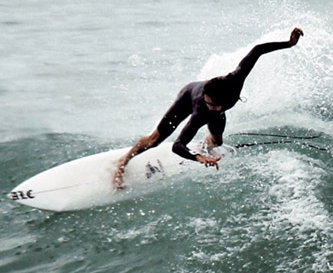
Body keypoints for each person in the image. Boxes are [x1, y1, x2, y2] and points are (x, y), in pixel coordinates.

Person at [113, 28, 304, 189]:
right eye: (208, 102)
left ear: (224, 100)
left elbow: (257, 50)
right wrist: (198, 158)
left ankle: (205, 145)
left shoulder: (236, 79)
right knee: (155, 140)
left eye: (214, 105)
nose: (210, 107)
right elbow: (177, 146)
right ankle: (123, 161)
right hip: (187, 97)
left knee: (218, 142)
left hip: (216, 107)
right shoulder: (200, 110)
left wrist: (288, 43)